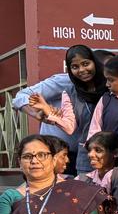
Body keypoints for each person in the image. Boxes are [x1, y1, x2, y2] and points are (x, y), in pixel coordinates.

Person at [14, 45, 107, 175]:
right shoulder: (67, 83)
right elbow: (21, 97)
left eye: (86, 64)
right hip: (57, 151)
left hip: (89, 153)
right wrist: (37, 114)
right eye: (75, 67)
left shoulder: (106, 87)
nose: (82, 70)